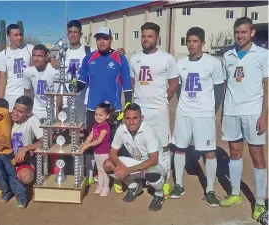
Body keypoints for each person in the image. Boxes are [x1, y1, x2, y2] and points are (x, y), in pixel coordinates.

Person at [169, 27, 225, 207]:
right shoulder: (180, 63)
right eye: (189, 41)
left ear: (202, 43)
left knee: (209, 152)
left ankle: (209, 190)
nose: (191, 45)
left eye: (195, 41)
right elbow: (178, 87)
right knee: (179, 149)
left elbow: (219, 89)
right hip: (184, 113)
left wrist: (212, 110)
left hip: (204, 115)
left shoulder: (214, 63)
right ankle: (178, 185)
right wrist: (184, 103)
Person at [219, 17, 268, 220]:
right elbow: (225, 85)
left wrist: (264, 115)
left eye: (244, 32)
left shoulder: (263, 55)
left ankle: (259, 202)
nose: (240, 36)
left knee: (257, 157)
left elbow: (267, 86)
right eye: (237, 32)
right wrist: (222, 111)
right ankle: (235, 193)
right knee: (234, 152)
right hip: (231, 111)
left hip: (253, 112)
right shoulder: (227, 56)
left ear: (252, 33)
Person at [77, 26, 132, 186]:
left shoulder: (119, 58)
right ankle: (90, 173)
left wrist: (127, 103)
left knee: (114, 145)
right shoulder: (89, 57)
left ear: (111, 39)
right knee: (91, 141)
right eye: (99, 38)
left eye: (105, 38)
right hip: (93, 109)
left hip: (113, 110)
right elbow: (82, 79)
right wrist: (73, 87)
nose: (102, 41)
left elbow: (127, 83)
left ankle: (116, 177)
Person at [129, 22, 179, 199]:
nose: (145, 39)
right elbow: (133, 83)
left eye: (149, 36)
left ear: (157, 38)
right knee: (140, 146)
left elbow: (174, 84)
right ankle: (139, 181)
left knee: (163, 147)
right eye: (143, 36)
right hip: (140, 111)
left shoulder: (167, 59)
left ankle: (164, 181)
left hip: (158, 111)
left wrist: (163, 99)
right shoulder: (134, 58)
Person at [103, 103, 167, 211]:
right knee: (107, 164)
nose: (131, 122)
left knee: (151, 173)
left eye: (135, 118)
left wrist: (127, 170)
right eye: (128, 118)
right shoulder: (121, 130)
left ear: (141, 118)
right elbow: (112, 152)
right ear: (124, 119)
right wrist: (121, 167)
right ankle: (134, 186)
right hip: (136, 163)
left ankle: (159, 194)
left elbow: (153, 160)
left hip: (157, 166)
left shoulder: (148, 131)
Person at [0, 96, 44, 186]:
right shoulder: (5, 116)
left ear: (28, 113)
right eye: (14, 109)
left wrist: (25, 149)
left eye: (20, 112)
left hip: (21, 160)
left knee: (26, 177)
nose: (15, 113)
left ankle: (7, 179)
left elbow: (44, 141)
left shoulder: (32, 119)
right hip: (0, 156)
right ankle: (5, 177)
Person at [81, 102, 114, 196]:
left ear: (107, 116)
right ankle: (100, 186)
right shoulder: (96, 125)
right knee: (99, 169)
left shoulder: (105, 126)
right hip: (97, 152)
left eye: (100, 115)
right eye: (96, 114)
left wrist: (88, 145)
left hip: (104, 153)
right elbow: (90, 135)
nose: (98, 117)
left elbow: (99, 140)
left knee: (104, 170)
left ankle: (106, 187)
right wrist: (85, 143)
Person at [23, 44, 63, 122]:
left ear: (46, 56)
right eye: (34, 55)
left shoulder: (54, 71)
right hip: (36, 109)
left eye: (40, 56)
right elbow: (27, 93)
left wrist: (58, 117)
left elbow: (59, 96)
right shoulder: (28, 71)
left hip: (52, 109)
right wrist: (27, 111)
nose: (36, 59)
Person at [0, 24, 34, 111]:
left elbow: (44, 56)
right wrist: (0, 100)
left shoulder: (29, 48)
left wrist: (51, 59)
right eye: (16, 35)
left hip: (27, 94)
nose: (19, 37)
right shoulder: (3, 54)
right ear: (9, 37)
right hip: (10, 95)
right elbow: (2, 79)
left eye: (20, 34)